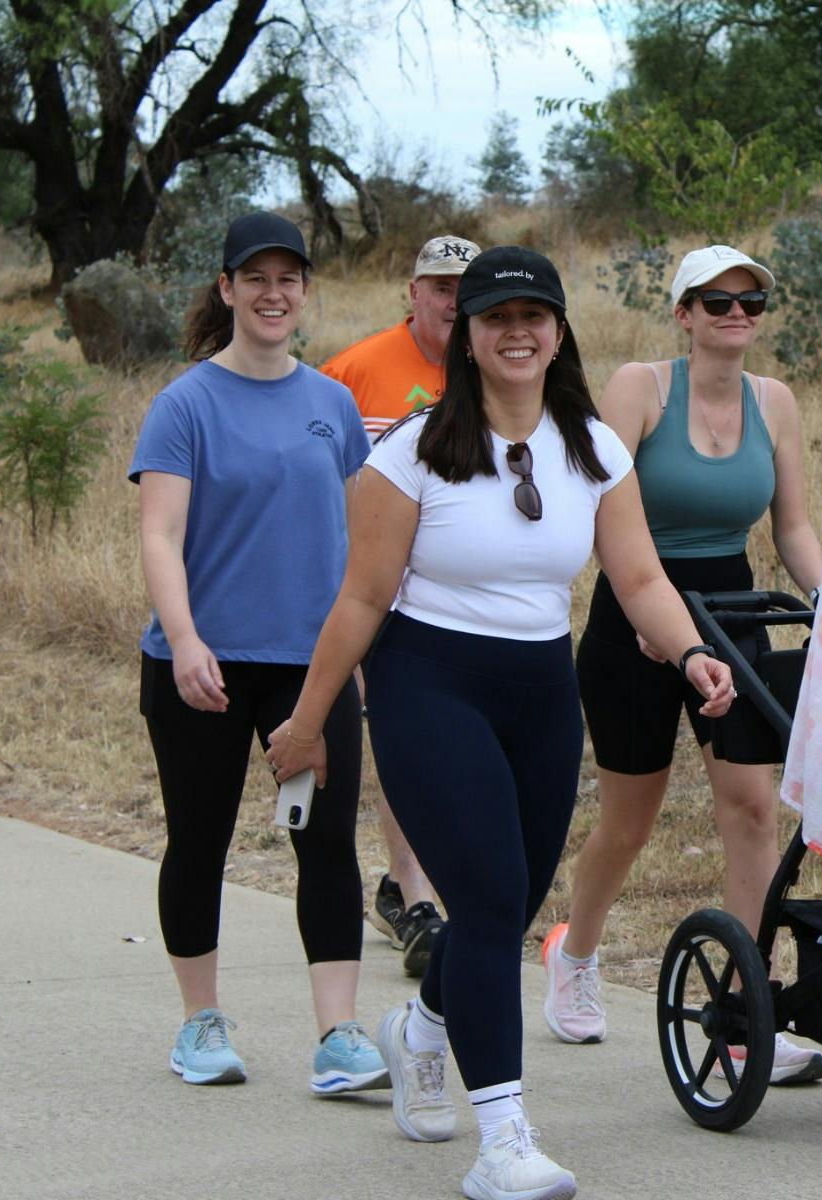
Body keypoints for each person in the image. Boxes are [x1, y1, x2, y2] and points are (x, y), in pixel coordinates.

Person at [265, 246, 736, 1200]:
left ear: (559, 332)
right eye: (495, 317)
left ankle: (423, 1031)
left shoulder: (595, 448)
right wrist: (308, 722)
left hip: (538, 689)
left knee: (509, 908)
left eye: (535, 315)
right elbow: (360, 602)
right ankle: (504, 1139)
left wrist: (689, 653)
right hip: (428, 682)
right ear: (468, 338)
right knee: (484, 901)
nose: (516, 331)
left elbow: (639, 577)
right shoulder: (409, 452)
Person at [544, 244, 822, 1084]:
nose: (734, 314)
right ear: (684, 313)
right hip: (635, 614)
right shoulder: (640, 387)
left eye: (750, 302)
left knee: (752, 810)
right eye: (715, 301)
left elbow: (794, 532)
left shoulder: (774, 402)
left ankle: (745, 1011)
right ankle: (576, 953)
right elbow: (591, 502)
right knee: (630, 819)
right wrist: (650, 614)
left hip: (733, 614)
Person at [130, 211, 386, 1094]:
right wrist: (189, 638)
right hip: (197, 667)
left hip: (308, 667)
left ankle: (340, 1036)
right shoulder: (185, 403)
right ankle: (200, 1023)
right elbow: (160, 537)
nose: (274, 294)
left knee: (324, 847)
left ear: (304, 291)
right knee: (197, 842)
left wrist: (358, 651)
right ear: (227, 289)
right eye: (257, 279)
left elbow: (360, 540)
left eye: (290, 279)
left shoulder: (333, 405)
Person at [321, 232, 481, 975]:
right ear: (412, 293)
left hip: (465, 594)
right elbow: (316, 483)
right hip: (376, 587)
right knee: (399, 736)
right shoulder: (351, 373)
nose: (451, 300)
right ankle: (416, 901)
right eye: (439, 287)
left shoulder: (496, 369)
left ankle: (409, 888)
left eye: (463, 287)